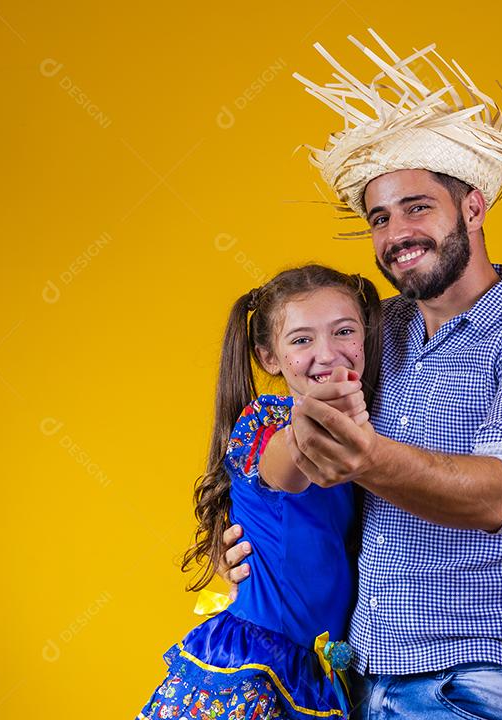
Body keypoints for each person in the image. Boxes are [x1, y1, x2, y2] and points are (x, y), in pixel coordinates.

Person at [221, 30, 502, 719]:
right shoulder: (370, 332)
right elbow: (287, 472)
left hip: (470, 674)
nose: (396, 234)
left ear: (473, 208)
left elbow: (501, 497)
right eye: (380, 218)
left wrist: (365, 456)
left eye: (418, 207)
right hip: (358, 670)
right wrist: (253, 539)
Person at [135, 265, 382, 720]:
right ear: (269, 358)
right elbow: (287, 467)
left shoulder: (364, 439)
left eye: (344, 332)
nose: (327, 354)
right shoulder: (266, 426)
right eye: (302, 340)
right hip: (253, 664)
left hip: (314, 669)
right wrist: (313, 423)